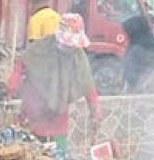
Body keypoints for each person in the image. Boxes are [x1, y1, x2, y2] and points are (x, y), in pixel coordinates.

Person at [7, 12, 102, 150]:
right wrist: (11, 87)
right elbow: (21, 62)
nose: (70, 48)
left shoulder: (78, 56)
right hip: (33, 111)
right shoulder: (42, 46)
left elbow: (87, 83)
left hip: (58, 117)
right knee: (29, 153)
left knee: (57, 156)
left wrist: (95, 111)